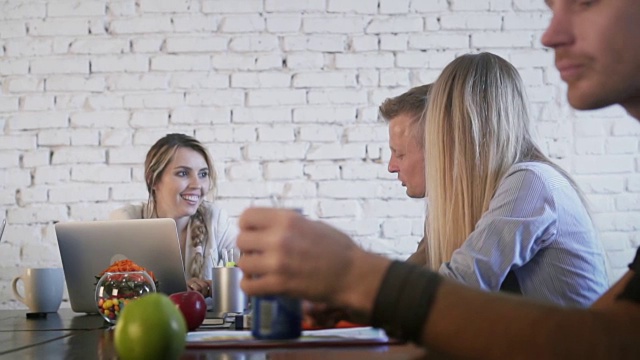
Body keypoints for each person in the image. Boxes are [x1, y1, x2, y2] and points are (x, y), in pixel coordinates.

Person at [236, 0, 640, 357]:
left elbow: (463, 282)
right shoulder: (474, 198)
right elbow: (612, 328)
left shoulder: (530, 182)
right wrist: (346, 299)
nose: (550, 34)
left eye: (587, 1)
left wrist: (350, 275)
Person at [380, 75, 607, 306]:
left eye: (400, 154)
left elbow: (460, 285)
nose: (391, 167)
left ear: (442, 146)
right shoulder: (459, 203)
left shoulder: (529, 183)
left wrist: (359, 279)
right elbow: (419, 272)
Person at [110, 133, 238, 298]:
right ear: (153, 180)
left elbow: (251, 273)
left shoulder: (214, 219)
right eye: (183, 173)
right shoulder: (126, 220)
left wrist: (217, 286)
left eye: (203, 174)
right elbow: (113, 290)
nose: (197, 185)